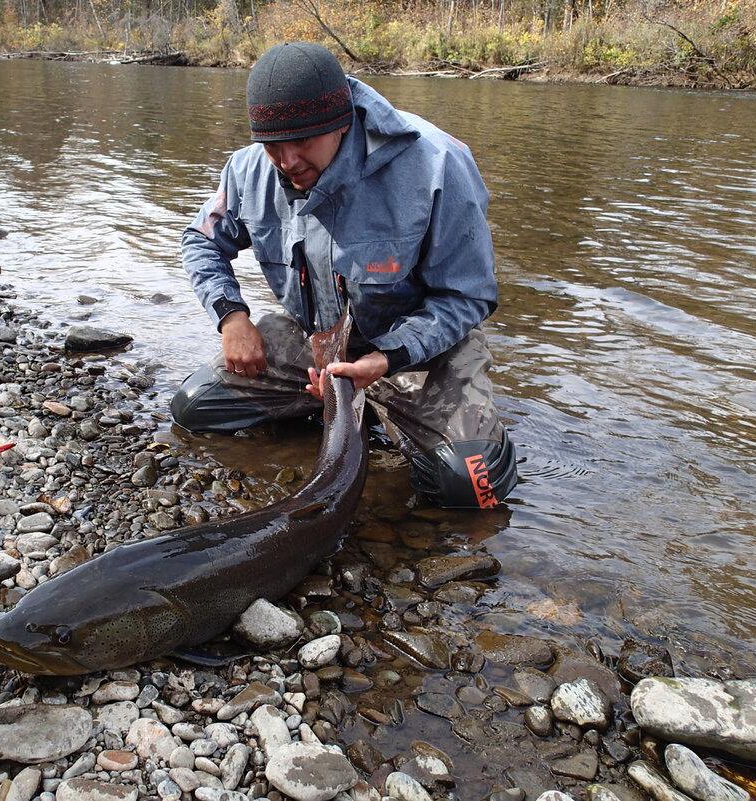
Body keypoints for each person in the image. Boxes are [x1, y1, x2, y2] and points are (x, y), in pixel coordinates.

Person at [171, 41, 518, 509]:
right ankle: (343, 409)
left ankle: (393, 411)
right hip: (318, 346)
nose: (288, 162)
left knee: (470, 487)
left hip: (416, 352)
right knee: (194, 408)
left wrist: (386, 361)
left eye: (302, 143)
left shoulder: (437, 164)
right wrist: (231, 316)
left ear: (342, 122)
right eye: (273, 145)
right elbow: (202, 241)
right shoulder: (247, 170)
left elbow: (468, 296)